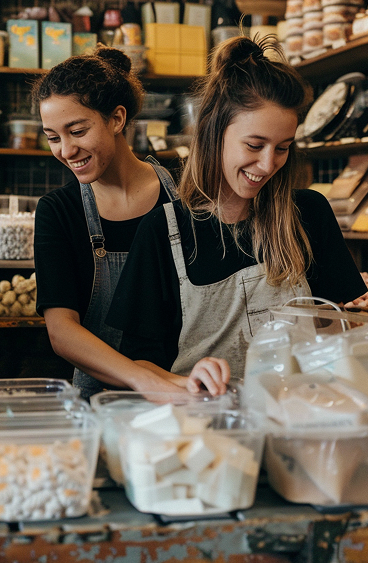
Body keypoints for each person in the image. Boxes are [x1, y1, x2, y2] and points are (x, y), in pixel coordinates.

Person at [105, 35, 368, 380]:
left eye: (283, 147)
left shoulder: (309, 214)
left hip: (299, 416)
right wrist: (187, 381)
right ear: (215, 130)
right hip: (207, 424)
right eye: (254, 145)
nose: (267, 164)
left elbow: (338, 329)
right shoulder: (165, 231)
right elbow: (139, 365)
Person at [32, 46, 230, 399]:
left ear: (117, 119)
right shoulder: (58, 211)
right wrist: (147, 382)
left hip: (190, 390)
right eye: (53, 137)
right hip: (100, 403)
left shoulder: (187, 196)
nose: (65, 149)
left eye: (77, 131)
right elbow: (61, 331)